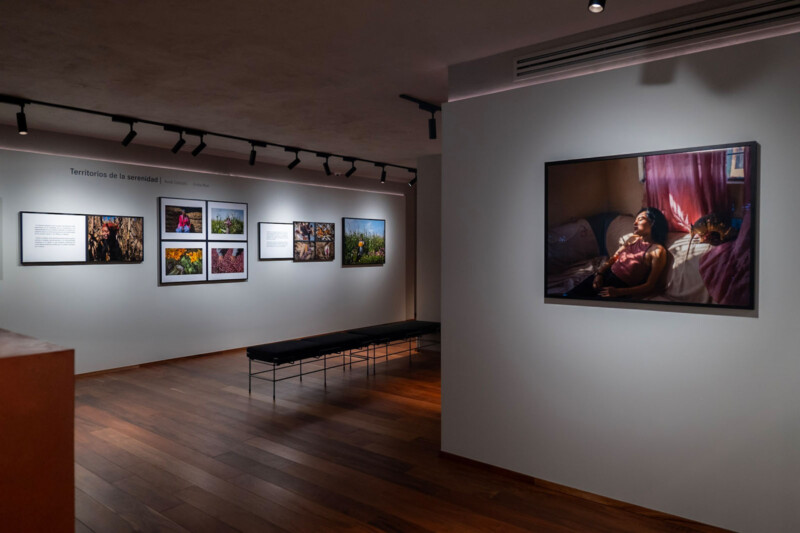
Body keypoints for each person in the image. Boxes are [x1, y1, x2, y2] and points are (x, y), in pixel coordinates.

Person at [570, 207, 669, 299]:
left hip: (619, 287)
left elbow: (650, 285)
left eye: (640, 219)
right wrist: (599, 274)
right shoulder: (633, 239)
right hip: (605, 274)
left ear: (653, 223)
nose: (635, 223)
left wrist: (618, 292)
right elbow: (614, 258)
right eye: (635, 219)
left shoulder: (657, 251)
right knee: (570, 297)